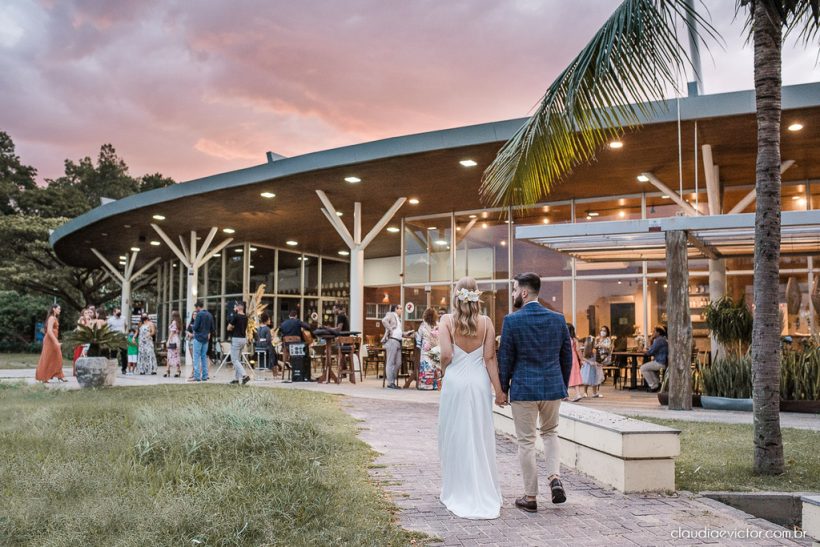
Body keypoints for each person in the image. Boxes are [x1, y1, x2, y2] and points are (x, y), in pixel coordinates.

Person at [498, 272, 572, 512]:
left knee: (527, 442)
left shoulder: (512, 320)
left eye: (513, 290)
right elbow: (566, 357)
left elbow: (505, 359)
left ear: (523, 292)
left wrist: (502, 389)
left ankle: (530, 497)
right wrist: (562, 385)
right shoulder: (558, 319)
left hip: (524, 388)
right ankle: (554, 478)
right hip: (552, 387)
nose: (512, 294)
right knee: (551, 434)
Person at [438, 277, 504, 519]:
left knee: (454, 434)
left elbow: (446, 354)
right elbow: (489, 359)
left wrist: (443, 371)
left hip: (455, 382)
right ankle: (482, 487)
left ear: (456, 295)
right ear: (477, 296)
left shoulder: (446, 321)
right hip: (478, 384)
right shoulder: (486, 323)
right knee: (478, 434)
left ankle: (457, 487)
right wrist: (499, 391)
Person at [35, 304, 66, 383]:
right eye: (58, 309)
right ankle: (44, 377)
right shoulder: (52, 318)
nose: (60, 310)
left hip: (53, 340)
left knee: (57, 357)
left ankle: (60, 375)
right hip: (50, 340)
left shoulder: (55, 318)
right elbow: (49, 331)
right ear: (54, 309)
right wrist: (56, 342)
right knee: (47, 357)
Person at [416, 307, 440, 390]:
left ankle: (426, 384)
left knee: (426, 365)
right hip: (436, 347)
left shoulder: (423, 325)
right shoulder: (438, 324)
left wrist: (418, 345)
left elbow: (419, 337)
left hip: (426, 347)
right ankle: (435, 385)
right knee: (435, 365)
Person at [226, 302, 250, 385]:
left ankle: (244, 375)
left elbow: (229, 327)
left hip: (236, 338)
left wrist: (232, 326)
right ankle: (236, 379)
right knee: (238, 360)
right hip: (243, 339)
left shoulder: (236, 316)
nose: (234, 308)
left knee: (234, 360)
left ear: (238, 308)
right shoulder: (246, 317)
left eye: (235, 307)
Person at [640, 325, 669, 392]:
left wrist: (642, 351)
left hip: (660, 362)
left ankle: (653, 385)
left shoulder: (659, 340)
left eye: (654, 332)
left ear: (658, 333)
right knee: (647, 368)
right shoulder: (662, 339)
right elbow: (652, 349)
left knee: (643, 368)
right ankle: (656, 384)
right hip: (663, 361)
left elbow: (650, 352)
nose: (652, 333)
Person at [191, 301, 214, 382]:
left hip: (198, 338)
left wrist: (193, 327)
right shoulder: (209, 314)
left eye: (195, 308)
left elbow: (196, 327)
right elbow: (212, 328)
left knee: (196, 357)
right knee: (204, 357)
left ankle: (197, 376)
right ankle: (204, 376)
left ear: (198, 307)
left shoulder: (199, 314)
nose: (195, 310)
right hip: (206, 339)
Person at [381, 310, 403, 389]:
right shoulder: (390, 314)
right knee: (390, 362)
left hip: (398, 341)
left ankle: (392, 381)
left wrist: (405, 333)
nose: (401, 310)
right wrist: (390, 329)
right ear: (396, 309)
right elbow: (384, 321)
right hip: (392, 340)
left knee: (398, 363)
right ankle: (390, 383)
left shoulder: (398, 319)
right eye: (400, 308)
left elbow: (397, 331)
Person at [72, 307, 94, 375]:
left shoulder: (89, 320)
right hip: (81, 339)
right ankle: (76, 370)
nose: (87, 314)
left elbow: (91, 329)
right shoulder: (81, 320)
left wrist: (89, 321)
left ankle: (83, 370)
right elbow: (80, 329)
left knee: (85, 354)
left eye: (88, 313)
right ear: (82, 314)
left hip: (87, 339)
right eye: (86, 313)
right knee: (78, 354)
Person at [566, 324, 584, 402]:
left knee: (565, 376)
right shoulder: (574, 339)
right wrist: (582, 359)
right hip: (574, 358)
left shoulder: (564, 338)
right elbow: (578, 350)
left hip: (566, 358)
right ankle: (578, 394)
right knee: (575, 375)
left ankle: (564, 395)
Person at [107, 307, 128, 374]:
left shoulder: (123, 318)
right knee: (113, 353)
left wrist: (123, 332)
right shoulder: (110, 320)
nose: (119, 313)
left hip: (122, 337)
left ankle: (124, 369)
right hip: (114, 338)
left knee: (124, 353)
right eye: (117, 312)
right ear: (114, 313)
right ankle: (113, 369)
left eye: (119, 312)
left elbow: (125, 326)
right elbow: (108, 328)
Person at [164, 310, 182, 378]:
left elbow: (172, 332)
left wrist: (168, 340)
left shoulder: (174, 322)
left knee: (170, 355)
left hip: (173, 339)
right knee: (176, 355)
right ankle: (178, 370)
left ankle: (168, 370)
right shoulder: (178, 322)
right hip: (176, 339)